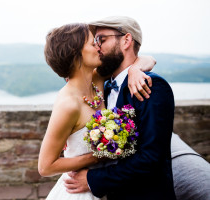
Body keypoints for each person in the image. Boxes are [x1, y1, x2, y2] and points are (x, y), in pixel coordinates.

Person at [38, 23, 156, 200]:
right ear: (76, 53)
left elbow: (149, 59)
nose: (98, 46)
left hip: (102, 187)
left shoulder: (97, 79)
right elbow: (45, 167)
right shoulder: (68, 104)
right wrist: (97, 157)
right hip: (78, 191)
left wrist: (135, 69)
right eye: (92, 43)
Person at [63, 16, 176, 200]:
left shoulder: (152, 86)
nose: (97, 46)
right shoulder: (103, 88)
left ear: (126, 40)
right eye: (95, 41)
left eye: (102, 39)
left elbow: (151, 158)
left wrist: (93, 179)